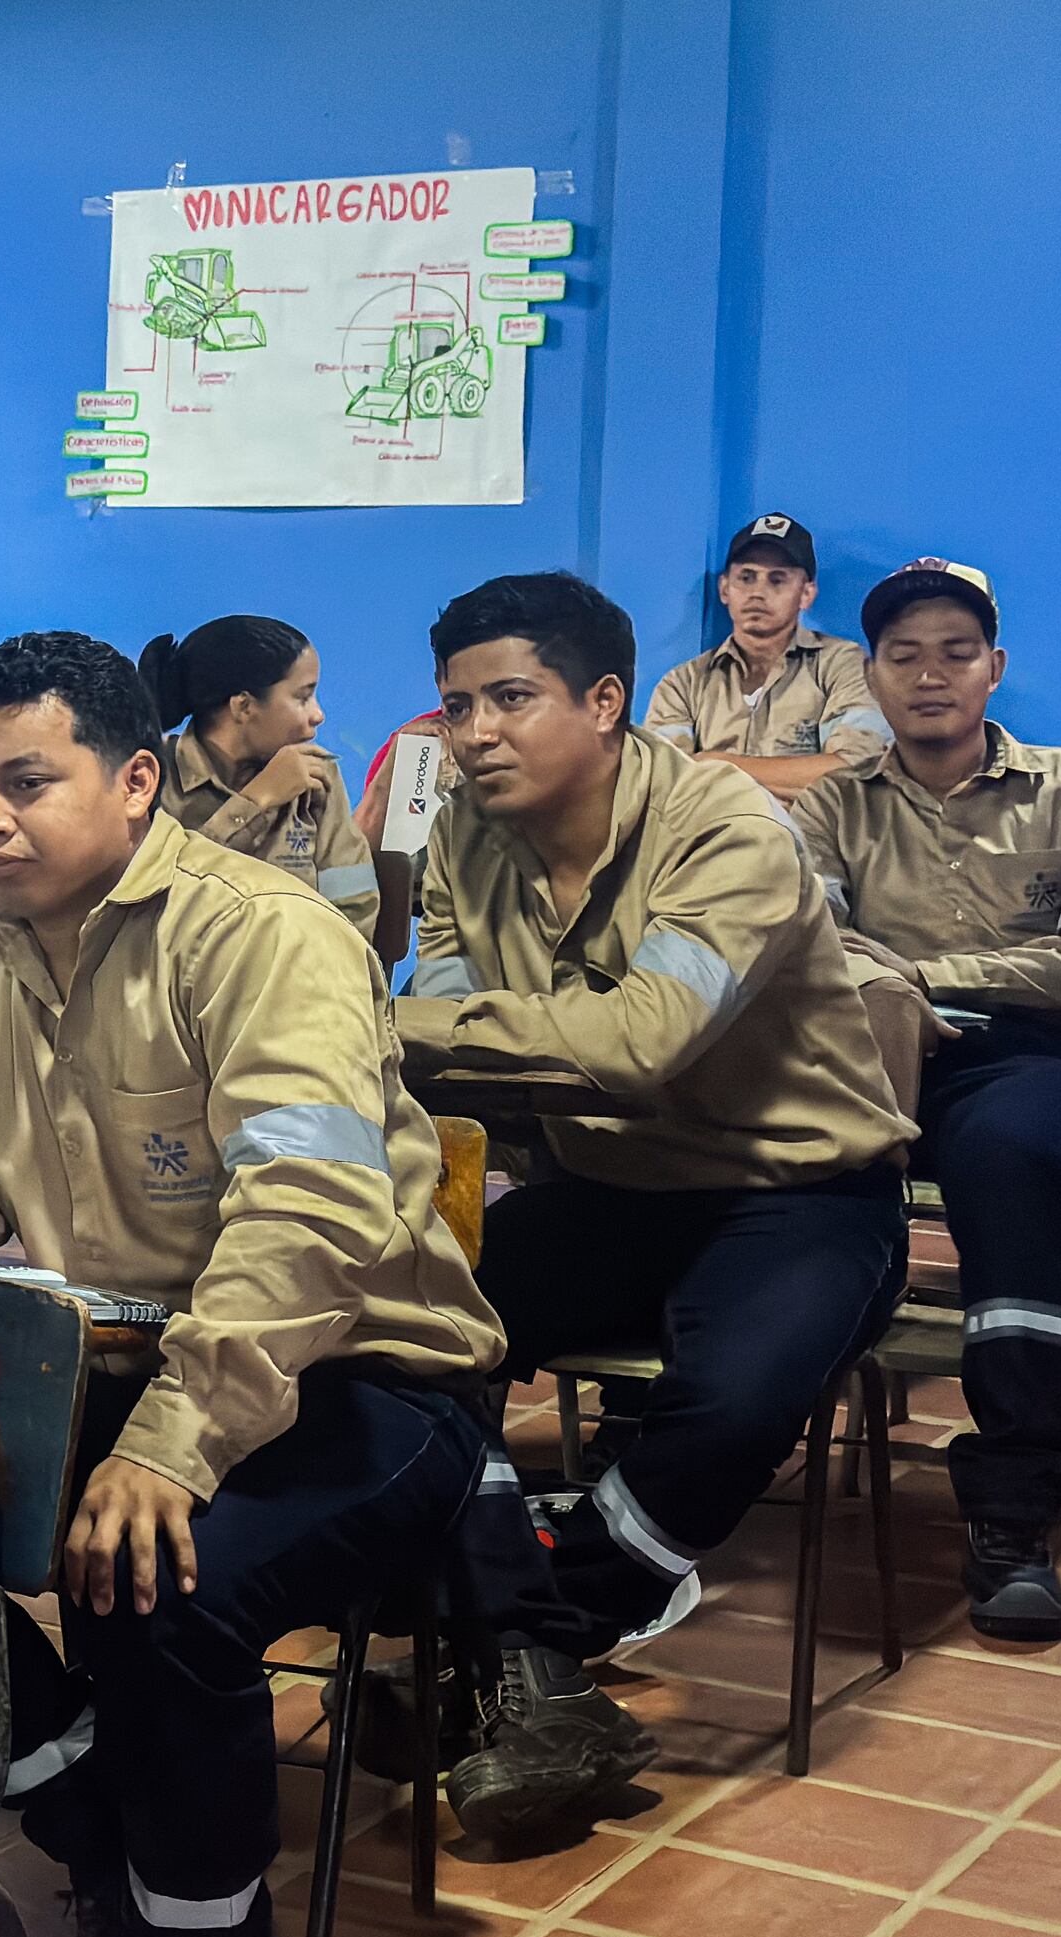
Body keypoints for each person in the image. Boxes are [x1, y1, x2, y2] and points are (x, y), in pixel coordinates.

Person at [0, 631, 507, 1937]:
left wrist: (176, 1443)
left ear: (135, 777)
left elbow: (305, 1218)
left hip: (365, 1373)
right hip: (120, 1363)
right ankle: (111, 1852)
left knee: (158, 1593)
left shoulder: (265, 935)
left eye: (28, 782)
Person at [399, 573, 915, 1755]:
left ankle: (529, 1635)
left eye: (510, 697)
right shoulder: (461, 839)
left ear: (604, 701)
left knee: (727, 1405)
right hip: (609, 1190)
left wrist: (380, 1030)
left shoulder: (728, 829)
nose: (475, 733)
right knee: (400, 1322)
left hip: (797, 1194)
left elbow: (638, 1043)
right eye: (454, 705)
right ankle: (517, 1653)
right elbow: (462, 1043)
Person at [794, 559, 1061, 1644]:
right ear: (870, 675)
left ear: (994, 667)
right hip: (873, 1052)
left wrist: (938, 976)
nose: (929, 674)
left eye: (954, 652)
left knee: (1006, 1164)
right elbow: (805, 948)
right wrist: (894, 989)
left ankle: (1009, 1510)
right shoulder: (831, 803)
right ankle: (689, 1442)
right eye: (902, 655)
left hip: (1031, 1060)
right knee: (776, 1159)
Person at [141, 614, 378, 932]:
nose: (318, 715)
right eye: (303, 697)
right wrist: (255, 802)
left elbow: (354, 906)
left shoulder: (318, 778)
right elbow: (155, 905)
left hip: (300, 972)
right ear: (243, 706)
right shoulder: (152, 775)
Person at [638, 514, 882, 795]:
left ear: (806, 594)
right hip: (712, 837)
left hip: (807, 837)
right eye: (746, 577)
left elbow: (858, 771)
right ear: (724, 588)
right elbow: (665, 784)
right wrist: (796, 776)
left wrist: (716, 762)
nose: (758, 592)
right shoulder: (683, 684)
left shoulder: (842, 664)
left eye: (777, 580)